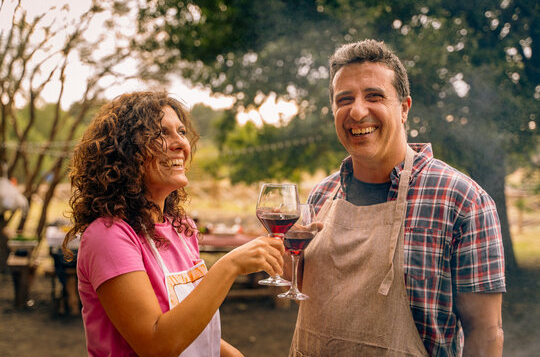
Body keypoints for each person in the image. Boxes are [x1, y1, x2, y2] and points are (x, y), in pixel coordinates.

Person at [289, 39, 506, 356]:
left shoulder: (462, 200)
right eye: (344, 99)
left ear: (404, 108)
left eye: (374, 96)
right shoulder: (321, 195)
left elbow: (485, 332)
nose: (358, 111)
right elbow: (308, 290)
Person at [63, 91, 285, 357]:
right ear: (124, 151)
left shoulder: (181, 227)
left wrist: (231, 354)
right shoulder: (108, 236)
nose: (181, 143)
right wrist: (230, 266)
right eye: (161, 133)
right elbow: (156, 344)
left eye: (181, 131)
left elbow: (188, 324)